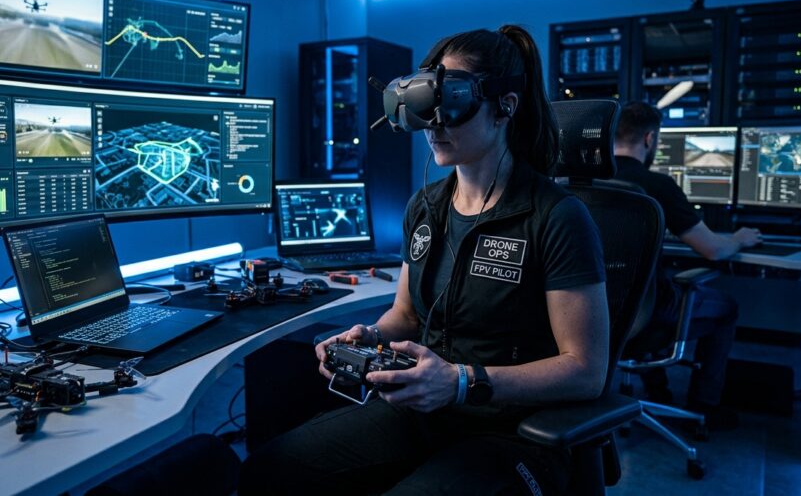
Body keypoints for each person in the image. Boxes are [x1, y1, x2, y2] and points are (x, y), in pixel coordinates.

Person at [239, 25, 609, 495]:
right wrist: (369, 335)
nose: (433, 123)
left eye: (450, 102)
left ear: (504, 108)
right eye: (423, 104)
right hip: (424, 410)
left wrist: (460, 382)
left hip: (515, 433)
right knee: (269, 469)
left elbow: (585, 370)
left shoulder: (556, 216)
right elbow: (407, 314)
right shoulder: (426, 206)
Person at [613, 101, 761, 428]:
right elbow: (713, 251)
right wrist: (738, 238)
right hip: (647, 318)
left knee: (646, 295)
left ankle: (658, 391)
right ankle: (704, 404)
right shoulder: (658, 186)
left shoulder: (583, 180)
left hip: (593, 315)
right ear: (650, 140)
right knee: (727, 308)